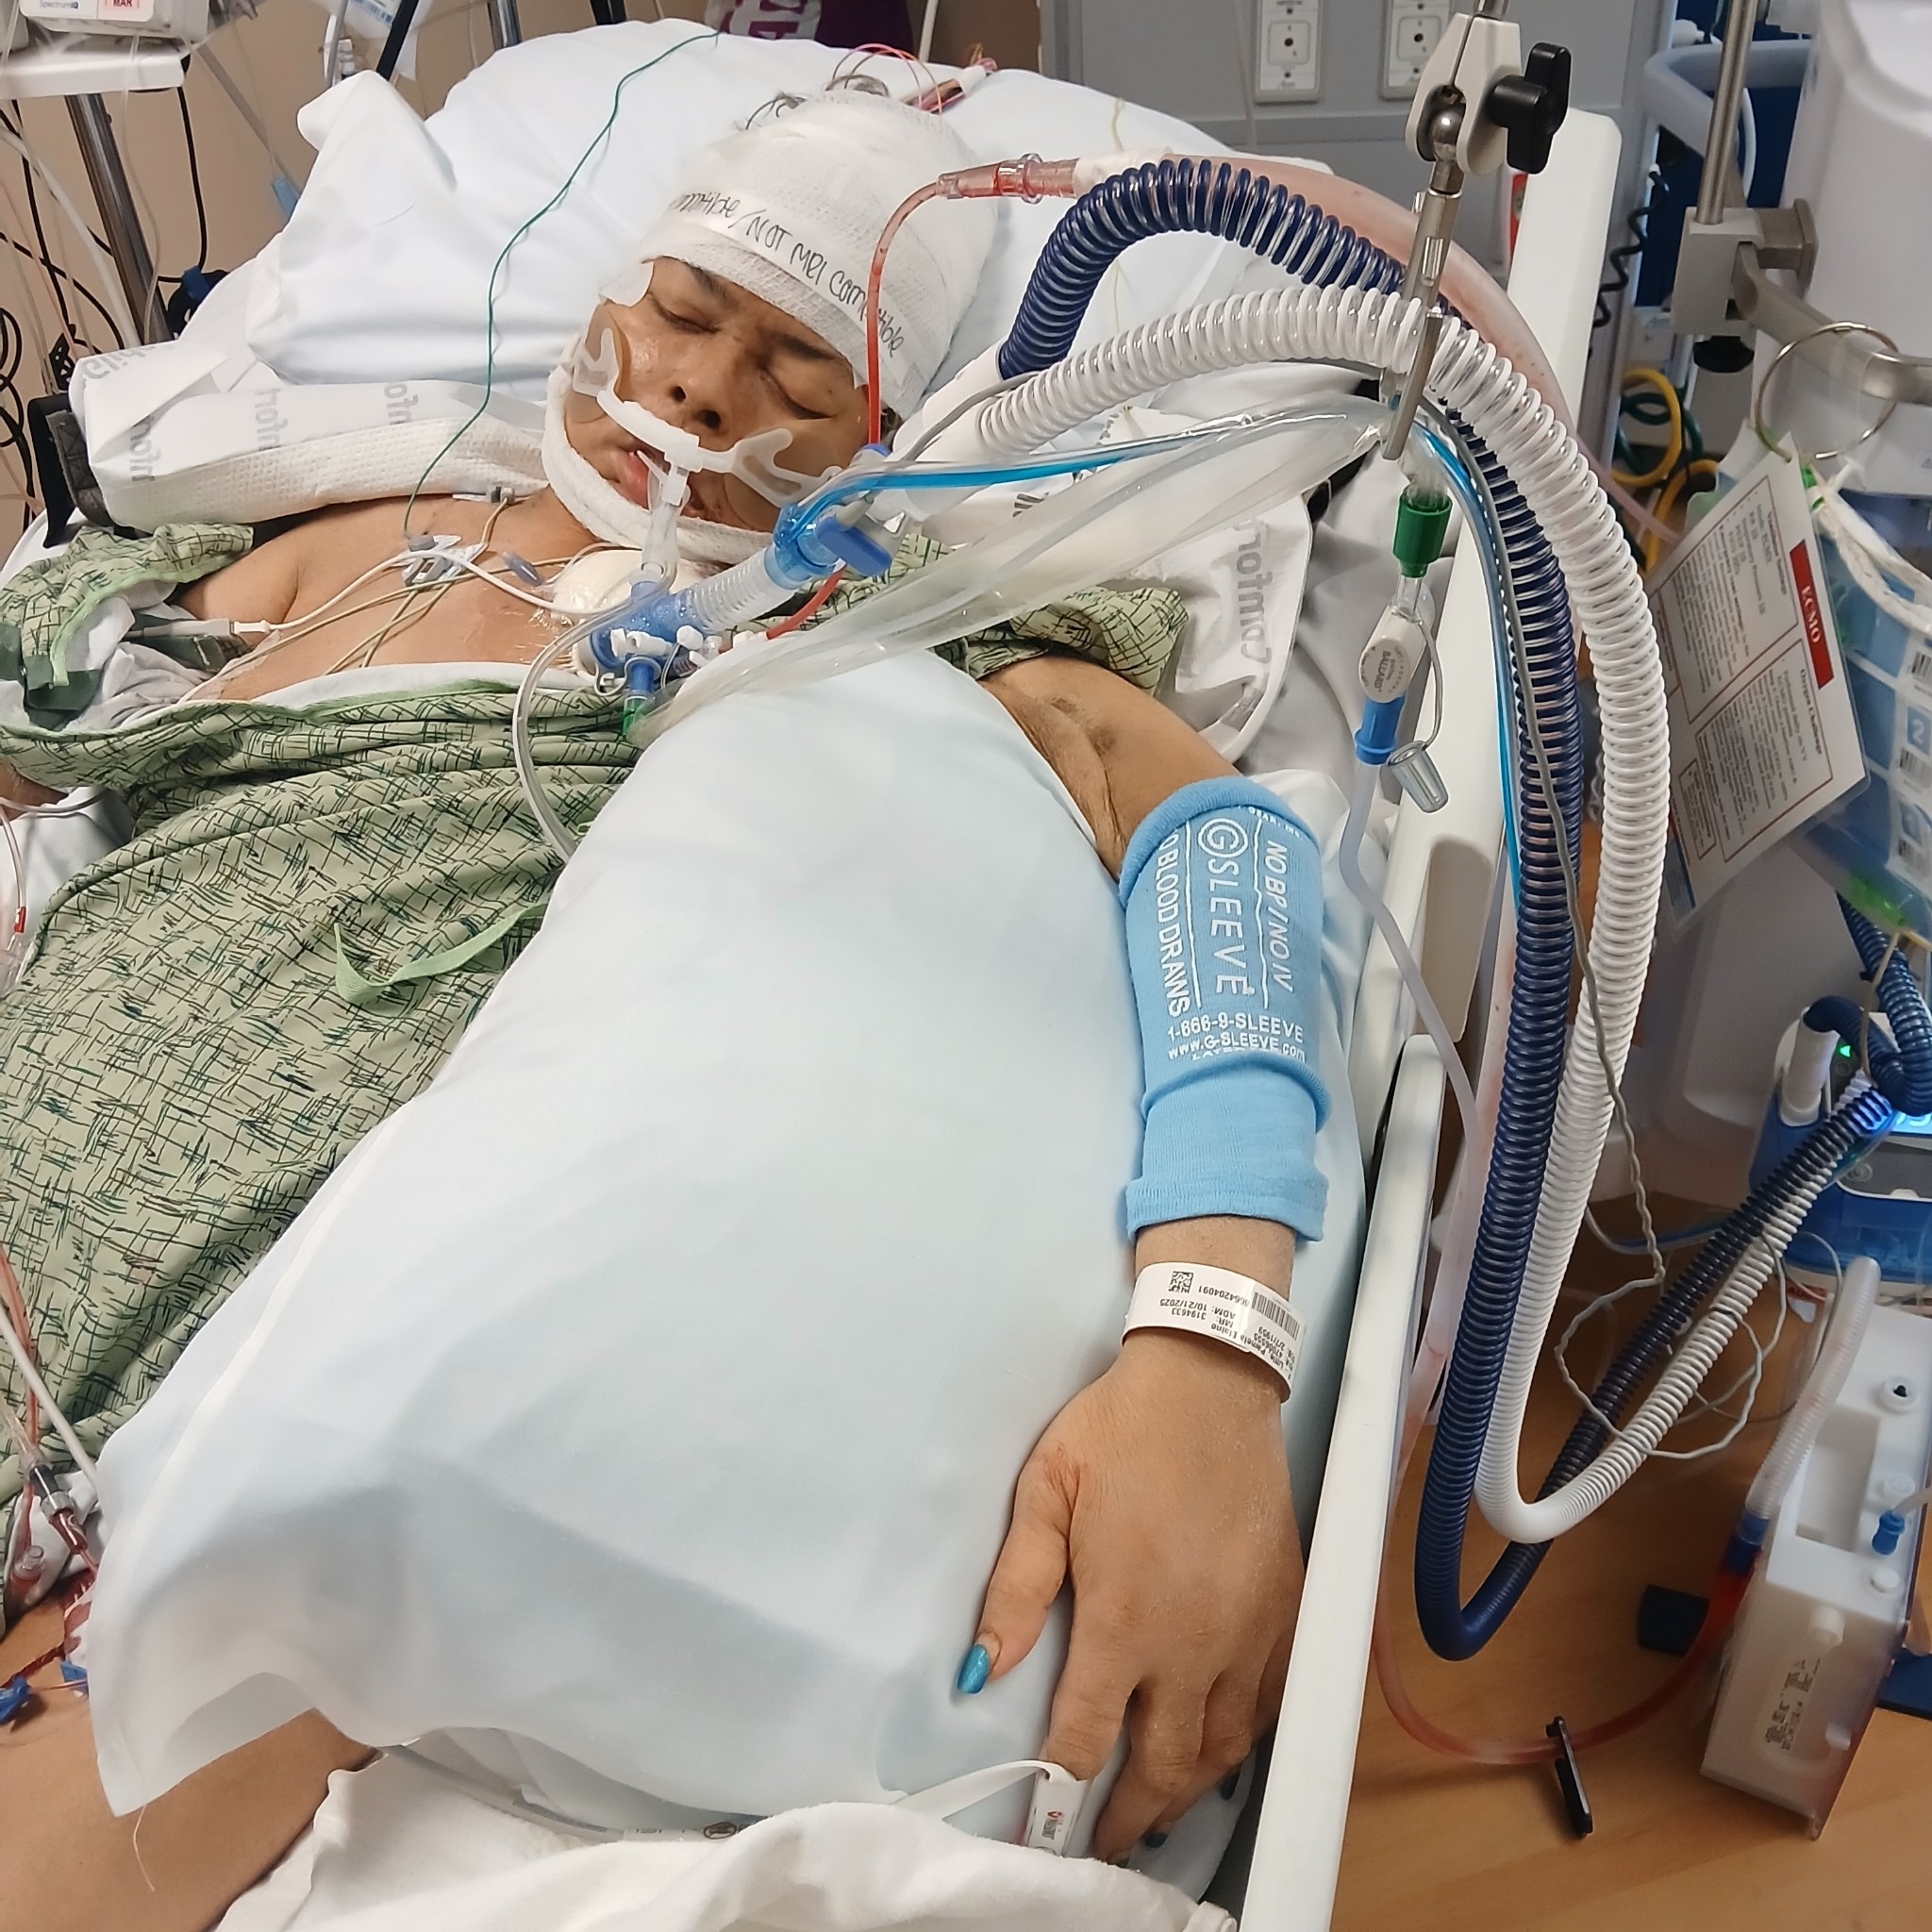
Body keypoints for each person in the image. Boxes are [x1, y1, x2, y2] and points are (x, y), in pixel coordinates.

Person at [0, 89, 1325, 1921]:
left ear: (883, 438)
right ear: (605, 311)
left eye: (797, 369)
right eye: (687, 315)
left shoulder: (890, 622)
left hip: (231, 1417)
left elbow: (1218, 849)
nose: (704, 390)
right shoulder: (370, 532)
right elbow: (45, 705)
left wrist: (1210, 1343)